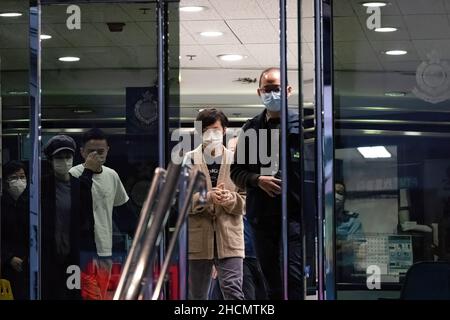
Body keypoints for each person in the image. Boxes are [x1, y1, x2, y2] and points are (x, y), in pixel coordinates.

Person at [230, 67, 303, 300]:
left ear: (289, 90)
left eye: (278, 89)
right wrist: (257, 180)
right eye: (268, 89)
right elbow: (236, 171)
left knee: (293, 277)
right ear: (260, 91)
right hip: (261, 217)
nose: (273, 94)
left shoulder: (301, 126)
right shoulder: (251, 128)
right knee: (270, 279)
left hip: (294, 215)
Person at [184, 108, 245, 300]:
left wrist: (230, 199)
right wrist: (207, 197)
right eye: (206, 129)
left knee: (234, 292)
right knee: (197, 296)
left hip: (230, 237)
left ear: (224, 130)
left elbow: (246, 201)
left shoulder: (236, 160)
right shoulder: (189, 160)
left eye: (216, 129)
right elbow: (182, 201)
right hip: (198, 239)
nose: (211, 134)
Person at [69, 128, 133, 300]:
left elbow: (123, 210)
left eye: (101, 151)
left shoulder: (112, 175)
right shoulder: (74, 175)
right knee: (88, 294)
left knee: (102, 294)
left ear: (108, 151)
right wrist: (88, 171)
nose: (96, 155)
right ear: (82, 152)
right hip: (82, 249)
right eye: (91, 152)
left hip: (105, 248)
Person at [41, 134, 92, 300]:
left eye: (68, 157)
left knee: (73, 295)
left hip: (74, 255)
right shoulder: (41, 187)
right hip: (48, 256)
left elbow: (87, 220)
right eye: (59, 157)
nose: (64, 161)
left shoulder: (80, 187)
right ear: (50, 160)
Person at [1, 161, 29, 300]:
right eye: (14, 178)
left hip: (28, 262)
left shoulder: (30, 204)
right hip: (6, 265)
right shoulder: (2, 205)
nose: (19, 181)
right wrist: (8, 257)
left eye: (22, 177)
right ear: (5, 181)